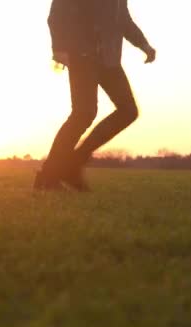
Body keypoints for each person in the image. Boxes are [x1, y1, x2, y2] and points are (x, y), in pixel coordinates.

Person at [34, 0, 156, 191]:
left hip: (109, 59)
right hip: (82, 55)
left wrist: (144, 44)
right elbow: (57, 14)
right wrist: (59, 48)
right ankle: (49, 176)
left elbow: (123, 20)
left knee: (128, 111)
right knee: (83, 114)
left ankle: (72, 163)